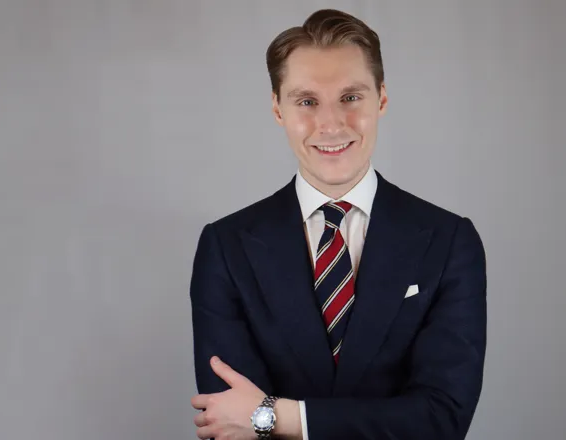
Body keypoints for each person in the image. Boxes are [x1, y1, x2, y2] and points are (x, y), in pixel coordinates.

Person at [189, 8, 487, 440]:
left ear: (381, 98)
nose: (330, 124)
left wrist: (279, 418)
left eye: (351, 97)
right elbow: (228, 420)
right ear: (277, 109)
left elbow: (440, 420)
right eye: (307, 101)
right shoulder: (226, 247)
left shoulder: (449, 241)